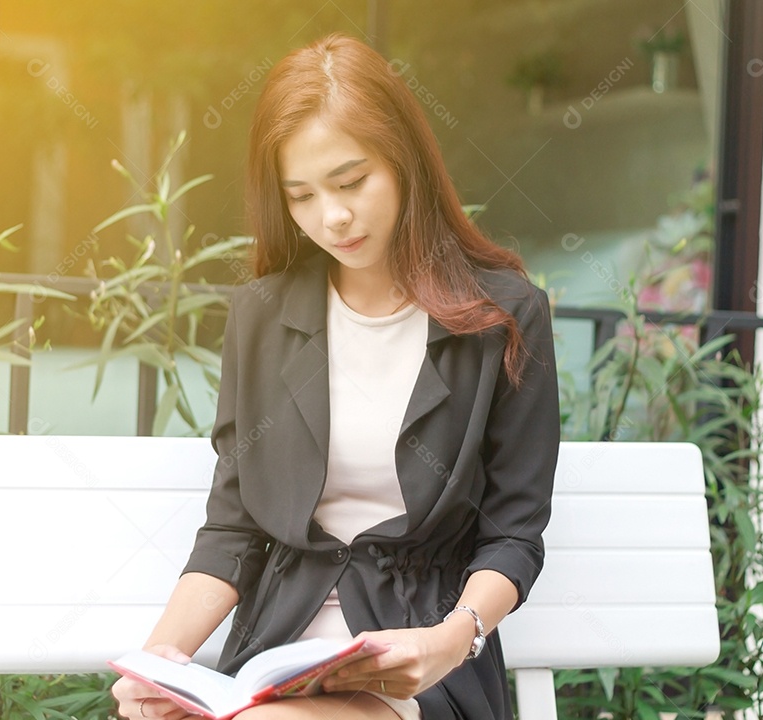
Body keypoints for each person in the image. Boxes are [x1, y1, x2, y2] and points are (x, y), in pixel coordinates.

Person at [112, 33, 560, 720]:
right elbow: (233, 531)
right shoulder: (262, 316)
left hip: (416, 665)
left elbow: (513, 534)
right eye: (303, 196)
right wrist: (159, 666)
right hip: (276, 655)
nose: (334, 216)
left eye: (352, 182)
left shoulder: (501, 316)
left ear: (405, 161)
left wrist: (451, 640)